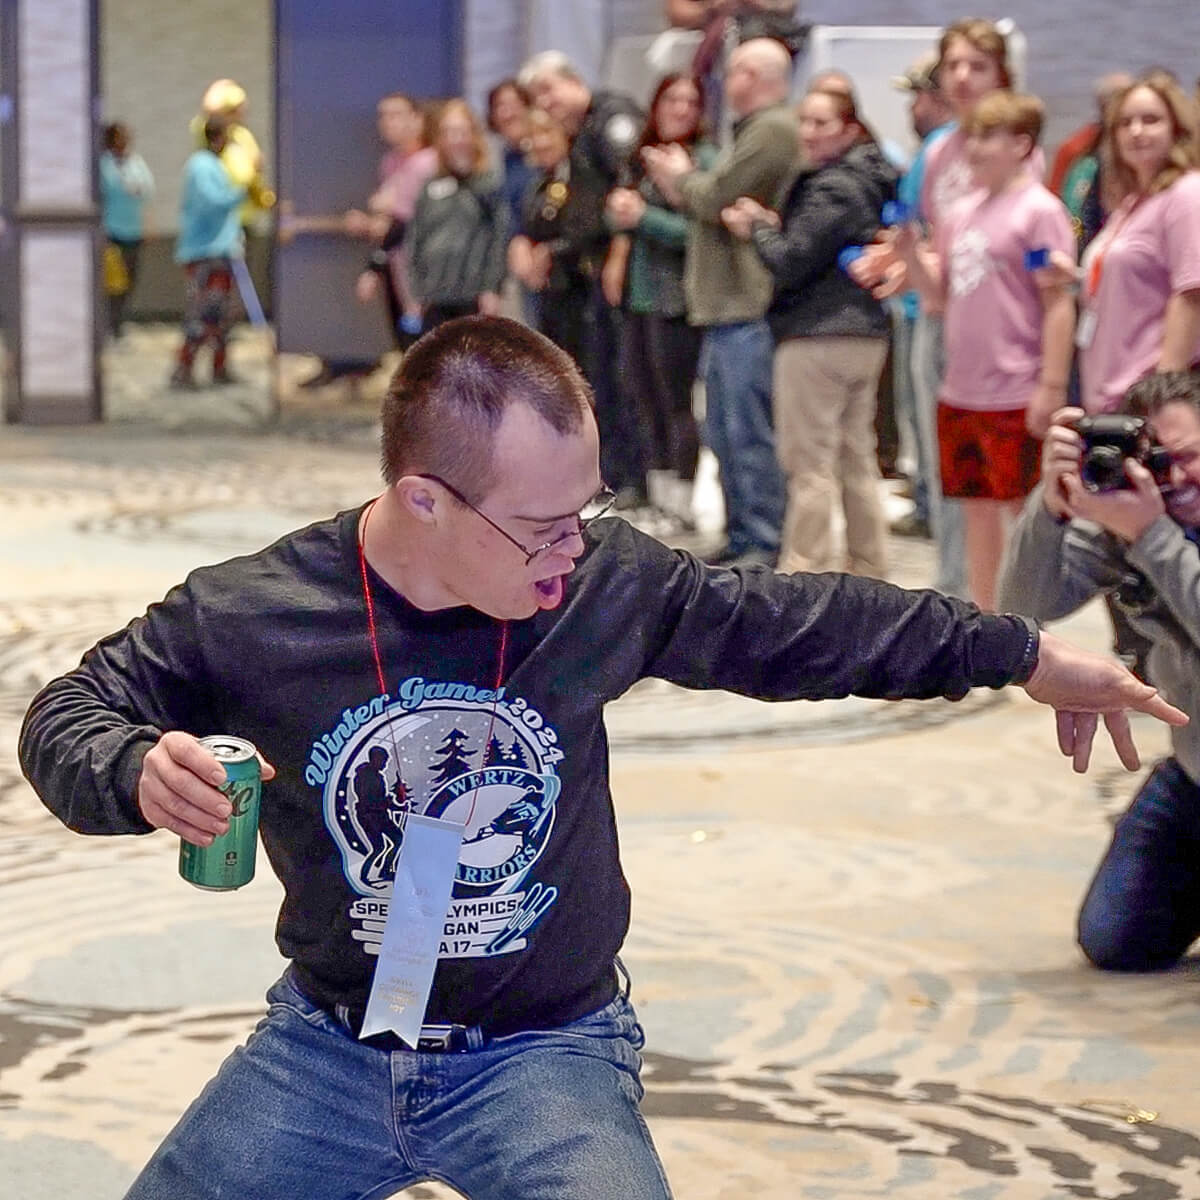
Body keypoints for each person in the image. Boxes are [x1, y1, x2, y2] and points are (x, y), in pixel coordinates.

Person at [19, 314, 1184, 1199]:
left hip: (545, 1050)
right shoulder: (255, 612)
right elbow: (68, 712)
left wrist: (1021, 652)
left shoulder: (600, 582)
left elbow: (799, 624)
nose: (574, 549)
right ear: (423, 502)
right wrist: (130, 769)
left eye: (586, 510)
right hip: (328, 1044)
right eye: (542, 528)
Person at [998, 369, 1200, 970]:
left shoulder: (1148, 526)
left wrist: (1154, 537)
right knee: (1116, 941)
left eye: (1188, 456)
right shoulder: (1135, 521)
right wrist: (1050, 504)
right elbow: (1023, 607)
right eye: (1157, 462)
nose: (1175, 478)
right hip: (1194, 769)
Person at [851, 19, 1026, 600]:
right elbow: (928, 232)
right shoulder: (938, 148)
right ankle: (958, 588)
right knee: (945, 465)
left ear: (1002, 74)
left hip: (999, 328)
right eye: (953, 66)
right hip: (935, 315)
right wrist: (900, 260)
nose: (962, 77)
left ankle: (1011, 600)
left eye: (977, 66)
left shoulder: (1017, 145)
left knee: (1007, 479)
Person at [896, 91, 1076, 610]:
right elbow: (938, 298)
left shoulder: (1040, 212)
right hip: (962, 388)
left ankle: (1029, 626)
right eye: (972, 136)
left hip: (1016, 386)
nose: (974, 148)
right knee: (975, 510)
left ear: (1021, 144)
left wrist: (1051, 386)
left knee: (1023, 514)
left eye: (989, 136)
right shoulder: (960, 213)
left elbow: (1058, 303)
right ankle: (986, 624)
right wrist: (910, 256)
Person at [722, 86, 897, 577]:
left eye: (822, 123)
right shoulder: (872, 180)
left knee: (808, 462)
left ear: (849, 129)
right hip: (864, 335)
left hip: (819, 336)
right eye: (805, 121)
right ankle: (869, 565)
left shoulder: (832, 187)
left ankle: (805, 571)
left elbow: (790, 258)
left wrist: (757, 229)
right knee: (856, 458)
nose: (809, 132)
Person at [643, 37, 798, 567]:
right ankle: (741, 531)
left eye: (731, 73)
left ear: (752, 76)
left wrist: (679, 178)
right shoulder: (752, 131)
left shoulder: (772, 130)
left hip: (747, 307)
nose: (724, 85)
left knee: (748, 432)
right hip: (725, 309)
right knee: (724, 432)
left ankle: (762, 537)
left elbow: (714, 196)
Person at [519, 50, 647, 509]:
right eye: (536, 98)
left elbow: (630, 190)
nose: (545, 103)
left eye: (548, 90)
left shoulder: (612, 118)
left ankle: (633, 478)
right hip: (587, 277)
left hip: (625, 274)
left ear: (574, 81)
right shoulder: (579, 138)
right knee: (598, 379)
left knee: (623, 380)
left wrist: (619, 254)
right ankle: (606, 475)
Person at [605, 73, 715, 533]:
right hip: (640, 297)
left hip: (679, 299)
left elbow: (699, 235)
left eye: (691, 101)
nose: (681, 109)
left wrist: (643, 217)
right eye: (672, 99)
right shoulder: (642, 158)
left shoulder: (704, 161)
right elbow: (621, 221)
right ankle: (659, 497)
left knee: (675, 402)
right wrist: (620, 219)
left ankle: (683, 503)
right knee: (642, 396)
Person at [888, 54, 954, 540]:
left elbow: (915, 224)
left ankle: (932, 506)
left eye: (917, 97)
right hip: (918, 295)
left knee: (925, 416)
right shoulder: (936, 150)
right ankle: (928, 501)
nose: (913, 108)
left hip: (924, 303)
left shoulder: (938, 150)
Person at [508, 110, 608, 374]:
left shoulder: (584, 176)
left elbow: (591, 229)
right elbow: (530, 226)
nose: (541, 142)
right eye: (534, 135)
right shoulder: (540, 182)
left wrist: (549, 252)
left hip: (583, 292)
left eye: (547, 133)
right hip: (549, 293)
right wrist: (521, 242)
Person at [406, 100, 509, 331]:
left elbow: (499, 237)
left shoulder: (489, 184)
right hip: (434, 294)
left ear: (474, 135)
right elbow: (415, 238)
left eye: (461, 131)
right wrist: (416, 290)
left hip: (473, 293)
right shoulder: (430, 187)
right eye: (448, 132)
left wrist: (492, 286)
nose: (455, 139)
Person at [170, 116, 246, 390]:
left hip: (219, 249)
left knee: (221, 315)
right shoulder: (201, 166)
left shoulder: (213, 165)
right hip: (205, 251)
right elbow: (210, 203)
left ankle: (219, 367)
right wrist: (241, 193)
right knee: (202, 313)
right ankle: (183, 369)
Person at [99, 121, 154, 339]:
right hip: (112, 231)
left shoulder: (136, 162)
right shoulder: (104, 164)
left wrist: (148, 224)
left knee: (130, 280)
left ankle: (118, 321)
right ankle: (108, 324)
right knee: (113, 282)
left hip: (133, 230)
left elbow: (147, 193)